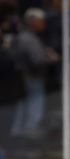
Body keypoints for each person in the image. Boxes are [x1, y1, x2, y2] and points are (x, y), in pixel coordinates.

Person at [11, 8, 58, 139]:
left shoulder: (25, 37)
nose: (43, 24)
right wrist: (51, 58)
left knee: (24, 105)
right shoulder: (28, 38)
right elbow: (37, 60)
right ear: (33, 22)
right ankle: (30, 131)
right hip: (32, 77)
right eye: (41, 21)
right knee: (34, 104)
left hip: (25, 78)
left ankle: (20, 131)